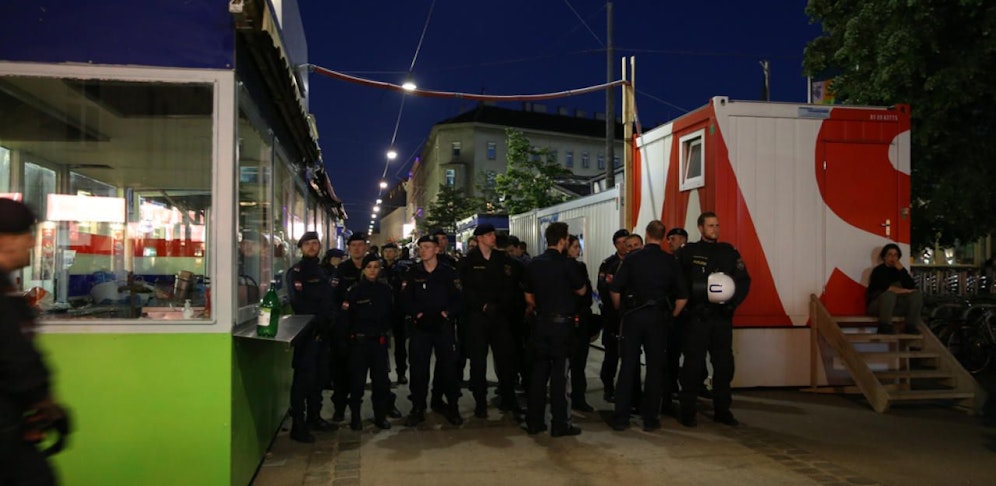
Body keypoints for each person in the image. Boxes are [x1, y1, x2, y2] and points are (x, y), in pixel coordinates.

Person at [0, 199, 66, 486]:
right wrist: (45, 403)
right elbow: (15, 357)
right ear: (3, 240)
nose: (31, 241)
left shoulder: (6, 288)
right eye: (24, 233)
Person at [609, 221, 688, 431]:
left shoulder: (632, 258)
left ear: (646, 234)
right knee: (655, 369)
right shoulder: (670, 261)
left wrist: (621, 311)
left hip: (633, 318)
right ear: (663, 237)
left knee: (628, 366)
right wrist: (671, 316)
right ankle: (651, 418)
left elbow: (615, 289)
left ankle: (621, 418)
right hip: (658, 319)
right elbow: (683, 297)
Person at [675, 212, 751, 427]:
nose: (715, 229)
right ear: (700, 228)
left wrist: (732, 304)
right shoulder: (688, 253)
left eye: (717, 225)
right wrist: (686, 306)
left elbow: (744, 282)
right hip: (697, 318)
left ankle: (723, 410)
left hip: (721, 319)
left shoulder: (728, 252)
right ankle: (688, 411)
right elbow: (677, 282)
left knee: (724, 366)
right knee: (692, 366)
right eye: (710, 225)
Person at [523, 222, 587, 437]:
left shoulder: (534, 264)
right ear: (563, 240)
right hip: (562, 326)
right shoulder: (568, 264)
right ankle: (560, 423)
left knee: (538, 373)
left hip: (541, 323)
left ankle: (535, 421)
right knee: (560, 377)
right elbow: (581, 290)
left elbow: (529, 297)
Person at [400, 235, 464, 427]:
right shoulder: (412, 273)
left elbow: (459, 299)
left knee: (448, 368)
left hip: (442, 327)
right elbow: (404, 300)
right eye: (421, 247)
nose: (423, 250)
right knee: (419, 369)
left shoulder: (448, 273)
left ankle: (448, 404)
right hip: (420, 329)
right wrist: (417, 314)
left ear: (437, 249)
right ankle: (417, 407)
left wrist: (446, 314)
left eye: (427, 247)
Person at [460, 224, 522, 418]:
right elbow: (466, 289)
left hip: (499, 316)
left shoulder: (502, 259)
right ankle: (480, 401)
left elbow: (509, 286)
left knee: (505, 358)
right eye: (488, 235)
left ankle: (508, 398)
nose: (493, 237)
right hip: (477, 317)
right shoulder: (469, 260)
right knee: (478, 361)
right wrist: (482, 306)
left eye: (493, 234)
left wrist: (498, 306)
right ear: (479, 238)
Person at [285, 231, 339, 442]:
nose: (312, 246)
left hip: (323, 334)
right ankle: (298, 425)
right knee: (303, 380)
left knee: (318, 379)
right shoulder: (296, 272)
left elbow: (329, 301)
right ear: (301, 247)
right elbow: (299, 303)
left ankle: (314, 417)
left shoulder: (322, 271)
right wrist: (318, 323)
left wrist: (330, 321)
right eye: (308, 243)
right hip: (307, 335)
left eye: (315, 243)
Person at [341, 254, 395, 431]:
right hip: (359, 343)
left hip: (378, 343)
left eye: (376, 266)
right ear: (363, 269)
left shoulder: (385, 290)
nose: (373, 270)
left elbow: (390, 315)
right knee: (357, 384)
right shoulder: (354, 291)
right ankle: (355, 417)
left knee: (380, 383)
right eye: (369, 266)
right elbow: (346, 319)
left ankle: (379, 416)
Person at [331, 233, 369, 422]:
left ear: (365, 247)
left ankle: (359, 411)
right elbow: (335, 298)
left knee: (365, 374)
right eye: (353, 245)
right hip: (346, 329)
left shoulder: (372, 267)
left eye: (360, 245)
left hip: (368, 329)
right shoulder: (342, 270)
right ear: (348, 248)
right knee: (342, 372)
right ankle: (339, 408)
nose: (356, 248)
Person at [597, 229, 632, 403]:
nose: (624, 245)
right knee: (611, 355)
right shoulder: (609, 264)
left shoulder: (636, 261)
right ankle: (608, 386)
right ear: (615, 245)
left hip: (631, 316)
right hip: (613, 316)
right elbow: (603, 288)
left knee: (630, 355)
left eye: (626, 241)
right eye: (619, 242)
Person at [565, 234, 596, 412]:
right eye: (575, 246)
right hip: (568, 320)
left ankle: (579, 397)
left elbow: (587, 294)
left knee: (579, 363)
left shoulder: (581, 267)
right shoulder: (564, 267)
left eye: (578, 246)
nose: (578, 250)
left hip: (581, 320)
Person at [866, 243, 922, 334]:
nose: (893, 257)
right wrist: (906, 291)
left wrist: (902, 270)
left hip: (896, 306)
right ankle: (885, 326)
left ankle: (911, 326)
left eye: (895, 255)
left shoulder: (900, 271)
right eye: (890, 254)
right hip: (878, 305)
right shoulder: (879, 271)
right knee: (889, 295)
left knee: (916, 295)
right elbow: (887, 288)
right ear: (884, 257)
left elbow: (911, 286)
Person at [380, 242, 409, 383]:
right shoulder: (378, 268)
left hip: (398, 310)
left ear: (396, 253)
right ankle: (383, 372)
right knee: (381, 344)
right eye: (386, 251)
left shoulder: (402, 269)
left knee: (400, 345)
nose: (388, 254)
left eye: (391, 251)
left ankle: (401, 372)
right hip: (383, 311)